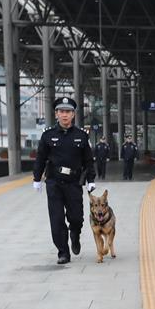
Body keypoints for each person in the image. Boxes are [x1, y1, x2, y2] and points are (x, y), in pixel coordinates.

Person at [32, 97, 95, 265]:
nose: (64, 115)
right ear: (56, 114)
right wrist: (36, 178)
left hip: (74, 183)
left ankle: (75, 234)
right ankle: (63, 252)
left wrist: (91, 180)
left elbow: (88, 160)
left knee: (76, 218)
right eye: (61, 112)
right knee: (57, 219)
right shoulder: (48, 135)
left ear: (73, 114)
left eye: (68, 112)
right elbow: (40, 158)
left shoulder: (81, 136)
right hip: (54, 183)